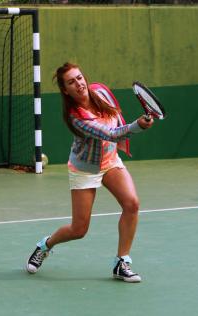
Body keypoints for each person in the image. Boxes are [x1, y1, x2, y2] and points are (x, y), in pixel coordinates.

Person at [26, 62, 153, 283]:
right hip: (85, 169)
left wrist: (130, 133)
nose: (78, 84)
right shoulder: (76, 117)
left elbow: (117, 118)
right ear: (66, 90)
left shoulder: (101, 92)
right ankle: (45, 245)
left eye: (79, 78)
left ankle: (122, 262)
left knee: (132, 204)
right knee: (79, 229)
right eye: (71, 82)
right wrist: (138, 126)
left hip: (110, 161)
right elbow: (111, 133)